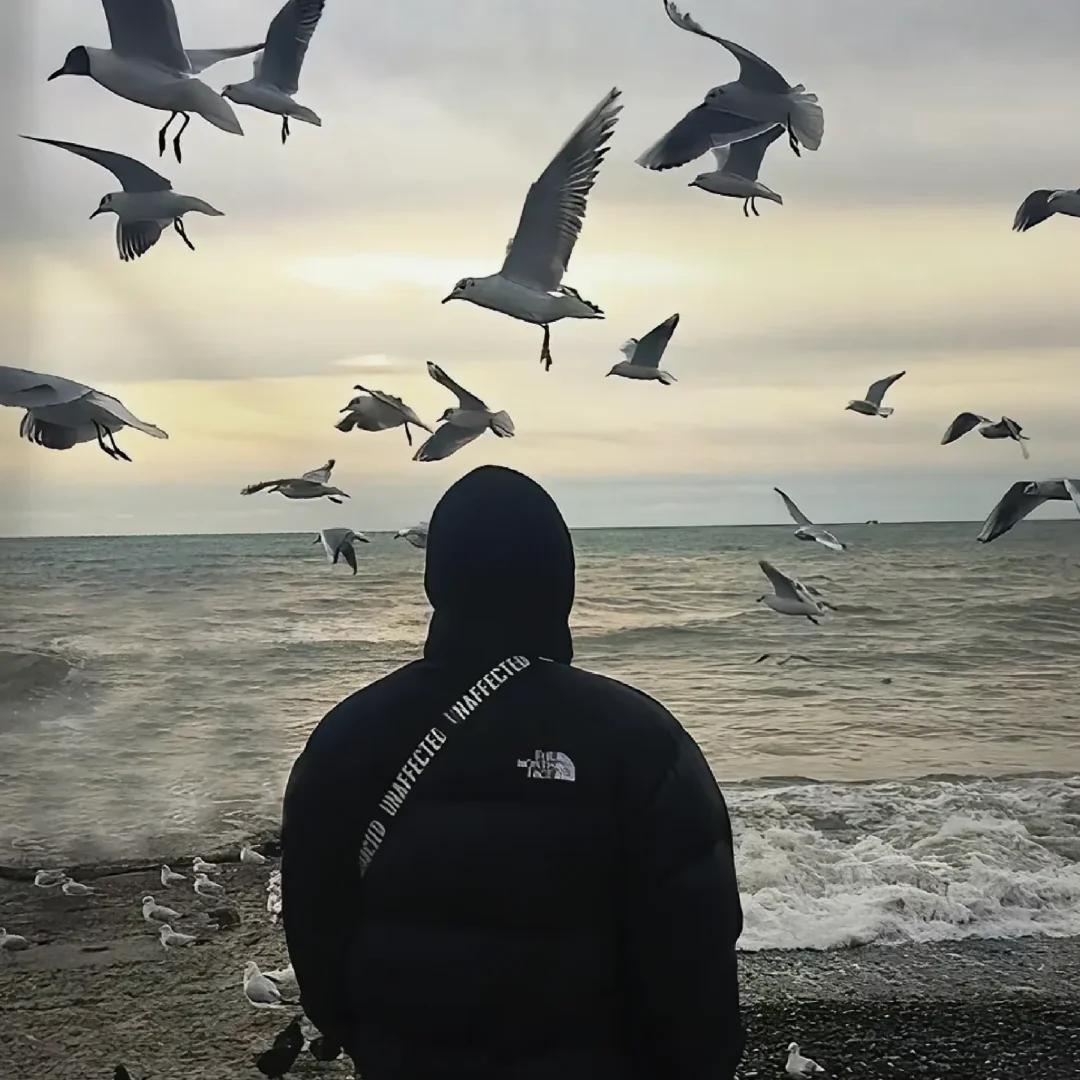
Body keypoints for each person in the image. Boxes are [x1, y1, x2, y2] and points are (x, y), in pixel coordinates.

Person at [282, 465, 744, 1079]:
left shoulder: (346, 736)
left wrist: (382, 1045)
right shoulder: (640, 739)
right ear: (560, 582)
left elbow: (316, 939)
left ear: (437, 579)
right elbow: (693, 959)